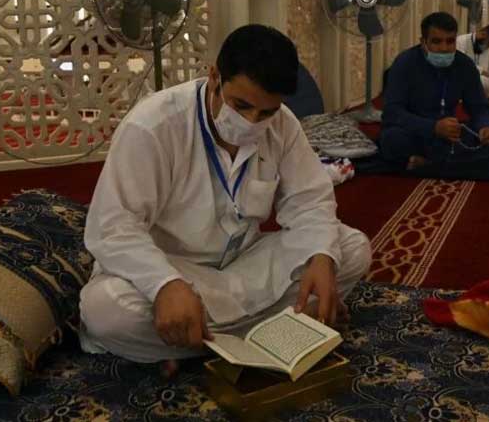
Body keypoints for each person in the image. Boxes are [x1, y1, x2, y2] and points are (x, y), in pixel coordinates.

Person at [79, 24, 372, 370]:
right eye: (241, 105)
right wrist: (164, 284)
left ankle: (190, 343)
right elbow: (113, 227)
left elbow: (309, 200)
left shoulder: (282, 124)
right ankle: (277, 331)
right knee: (105, 310)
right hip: (173, 267)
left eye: (265, 112)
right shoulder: (152, 126)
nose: (252, 121)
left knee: (350, 248)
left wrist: (320, 255)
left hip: (244, 265)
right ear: (215, 76)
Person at [380, 12, 489, 170]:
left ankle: (428, 163)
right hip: (416, 131)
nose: (444, 48)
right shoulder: (404, 63)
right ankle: (455, 161)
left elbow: (479, 106)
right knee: (391, 140)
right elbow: (392, 112)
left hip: (451, 133)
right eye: (436, 41)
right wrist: (432, 127)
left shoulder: (464, 65)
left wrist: (485, 126)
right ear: (423, 42)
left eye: (450, 41)